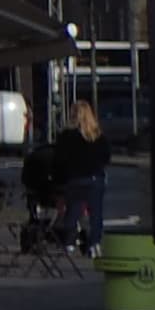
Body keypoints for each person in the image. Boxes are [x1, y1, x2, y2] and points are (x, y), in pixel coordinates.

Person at [50, 102, 110, 256]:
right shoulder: (97, 135)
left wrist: (58, 181)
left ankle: (69, 242)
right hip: (95, 178)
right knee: (96, 214)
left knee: (73, 211)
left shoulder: (67, 136)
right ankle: (94, 243)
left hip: (75, 179)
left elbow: (59, 160)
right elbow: (106, 157)